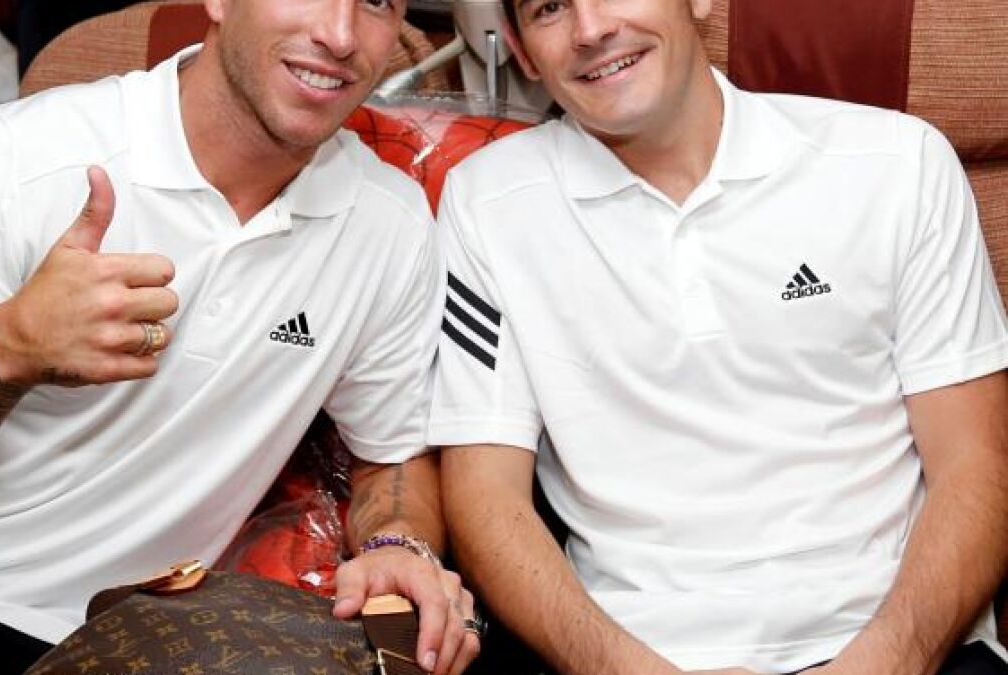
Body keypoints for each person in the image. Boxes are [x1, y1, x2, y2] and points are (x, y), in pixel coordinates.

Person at [0, 1, 480, 673]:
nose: (338, 34)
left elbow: (391, 456)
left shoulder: (388, 226)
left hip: (119, 641)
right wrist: (6, 347)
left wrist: (398, 545)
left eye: (376, 2)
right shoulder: (15, 157)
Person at [430, 0, 1008, 673]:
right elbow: (486, 497)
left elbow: (975, 466)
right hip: (635, 655)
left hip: (901, 648)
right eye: (550, 8)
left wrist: (886, 660)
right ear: (523, 50)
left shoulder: (898, 164)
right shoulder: (486, 203)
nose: (591, 29)